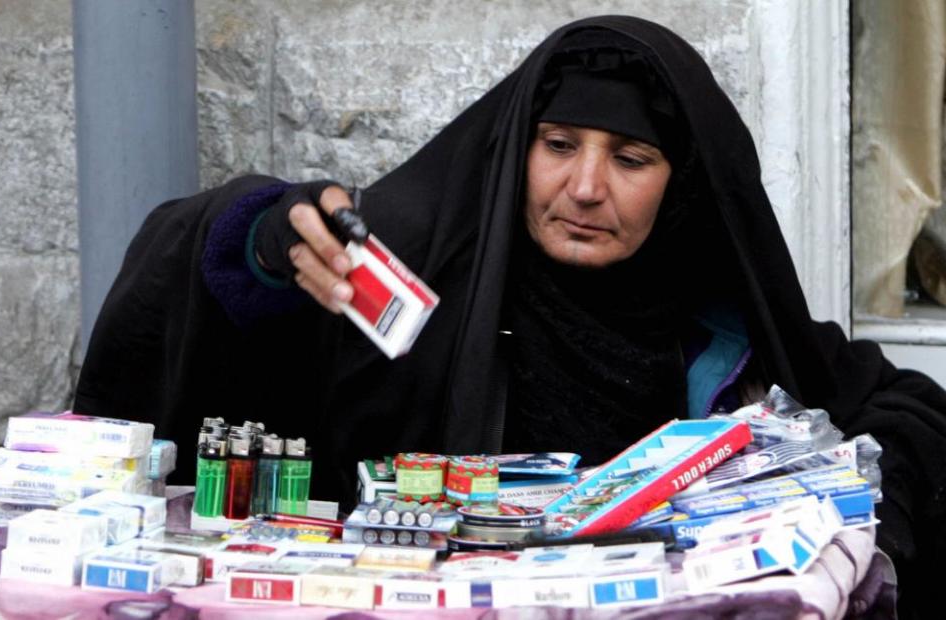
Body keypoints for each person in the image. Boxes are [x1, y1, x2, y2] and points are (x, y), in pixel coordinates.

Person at [74, 16, 944, 616]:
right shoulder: (418, 292)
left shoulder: (728, 344)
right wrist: (263, 239)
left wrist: (864, 529)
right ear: (516, 149)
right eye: (559, 146)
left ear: (679, 187)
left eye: (632, 158)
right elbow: (233, 278)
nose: (586, 188)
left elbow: (903, 410)